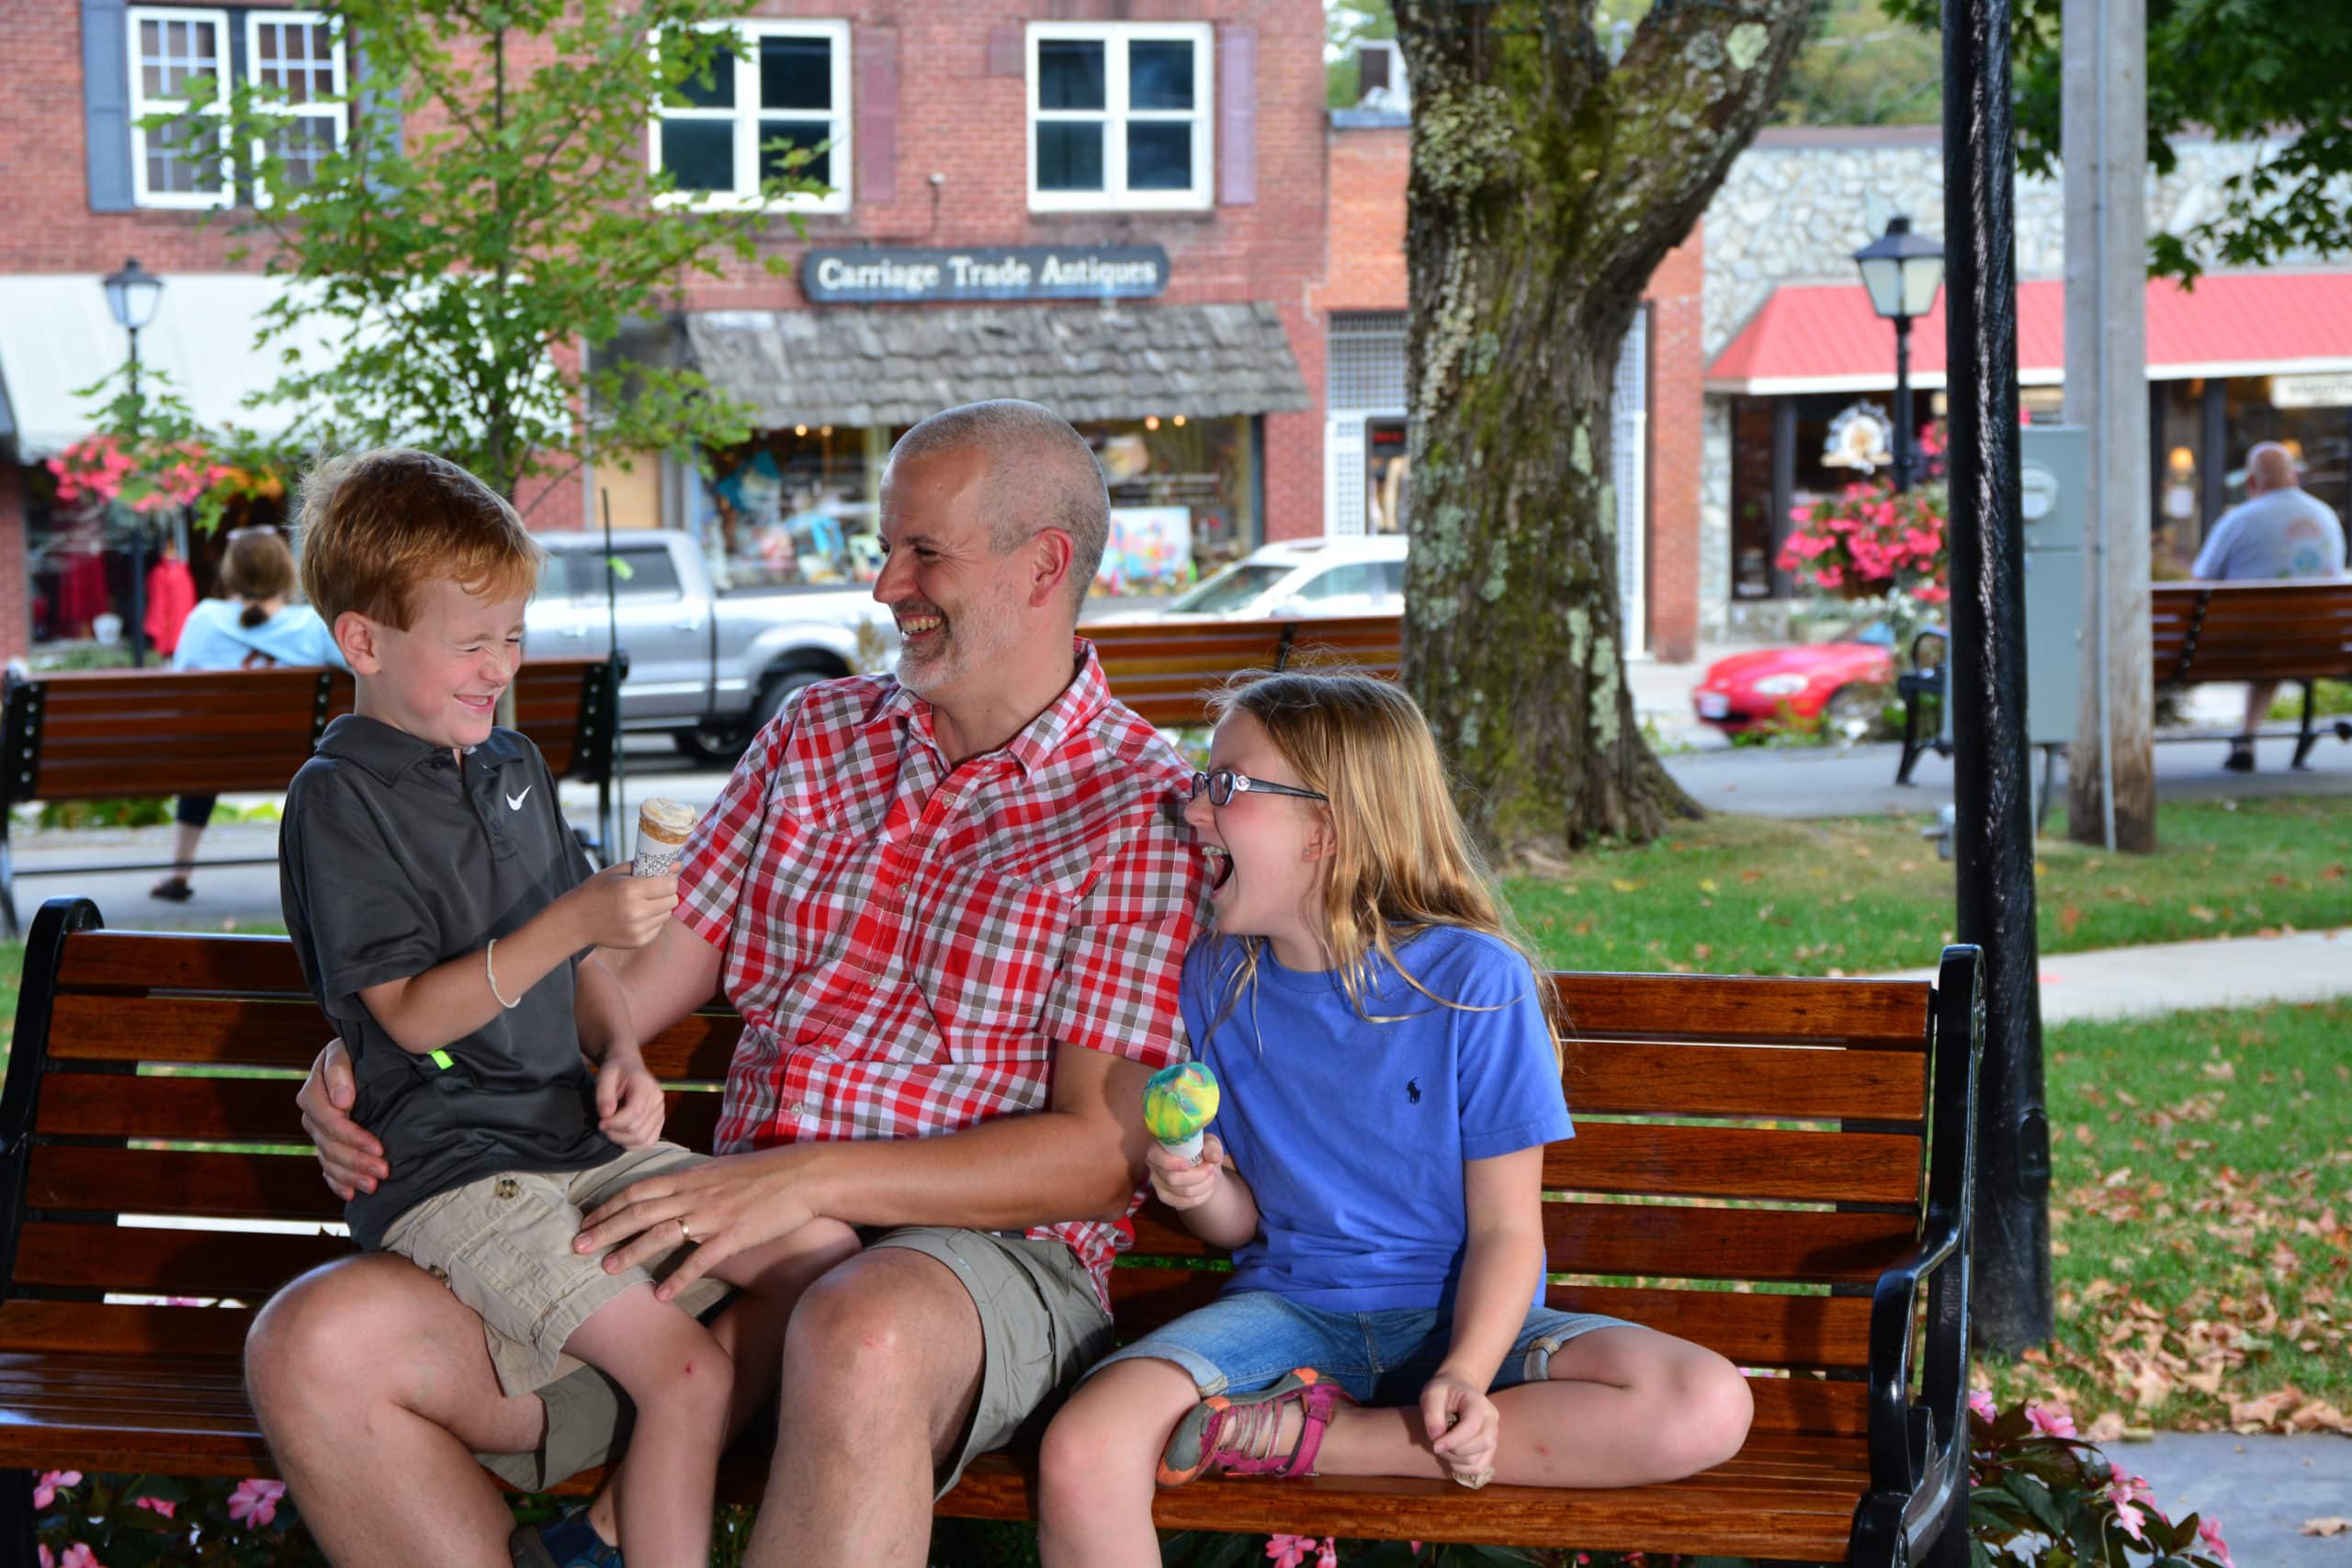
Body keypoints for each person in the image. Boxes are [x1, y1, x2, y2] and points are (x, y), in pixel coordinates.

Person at [246, 400, 1206, 1568]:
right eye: (886, 545)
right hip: (716, 1241)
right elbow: (617, 990)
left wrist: (796, 1179)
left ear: (1044, 565)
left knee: (859, 1322)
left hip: (964, 1266)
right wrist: (378, 1048)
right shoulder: (816, 737)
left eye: (923, 551)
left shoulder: (1137, 803)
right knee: (312, 1341)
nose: (882, 584)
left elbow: (1097, 1157)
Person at [275, 447, 860, 1568]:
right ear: (365, 642)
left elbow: (581, 965)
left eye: (514, 634)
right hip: (462, 1167)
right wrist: (574, 924)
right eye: (473, 642)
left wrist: (625, 1050)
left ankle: (595, 1538)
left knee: (823, 1254)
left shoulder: (512, 766)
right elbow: (406, 1016)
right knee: (686, 1374)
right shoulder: (338, 799)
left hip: (572, 1139)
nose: (502, 666)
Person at [1034, 671, 1755, 1567]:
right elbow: (1242, 1226)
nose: (1194, 811)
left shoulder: (1469, 982)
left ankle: (1315, 1442)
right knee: (1085, 1445)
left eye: (1226, 786)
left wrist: (1463, 1372)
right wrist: (1198, 1183)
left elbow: (1503, 1230)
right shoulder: (1216, 981)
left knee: (1705, 1402)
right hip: (1291, 1313)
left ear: (1326, 829)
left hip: (1459, 1321)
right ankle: (1311, 1428)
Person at [151, 528, 342, 904]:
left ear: (230, 574)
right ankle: (327, 874)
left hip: (213, 757)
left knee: (205, 747)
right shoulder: (312, 627)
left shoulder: (203, 619)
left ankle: (180, 869)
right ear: (286, 574)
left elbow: (178, 689)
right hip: (298, 760)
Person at [2192, 442, 2347, 772]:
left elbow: (2198, 584)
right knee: (2279, 634)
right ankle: (2245, 737)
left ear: (2251, 482)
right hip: (2320, 645)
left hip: (2247, 647)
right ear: (2294, 476)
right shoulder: (2326, 516)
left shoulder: (2239, 521)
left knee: (2266, 636)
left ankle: (2246, 739)